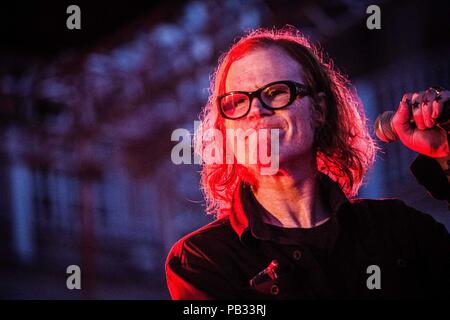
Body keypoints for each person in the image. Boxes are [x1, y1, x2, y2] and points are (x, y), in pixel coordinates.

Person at [165, 27, 450, 299]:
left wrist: (445, 153)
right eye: (237, 101)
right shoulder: (202, 260)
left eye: (276, 92)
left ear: (319, 110)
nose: (256, 110)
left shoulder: (398, 227)